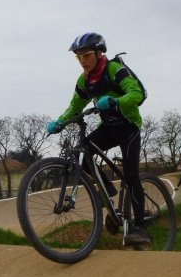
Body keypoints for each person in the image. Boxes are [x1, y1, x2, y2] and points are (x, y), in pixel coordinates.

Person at [45, 32, 151, 246]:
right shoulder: (84, 81)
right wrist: (59, 122)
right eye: (79, 57)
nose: (82, 61)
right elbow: (75, 107)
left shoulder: (114, 70)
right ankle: (108, 193)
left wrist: (115, 101)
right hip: (109, 127)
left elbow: (137, 93)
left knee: (131, 176)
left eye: (87, 55)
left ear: (99, 53)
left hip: (129, 127)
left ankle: (141, 228)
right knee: (83, 152)